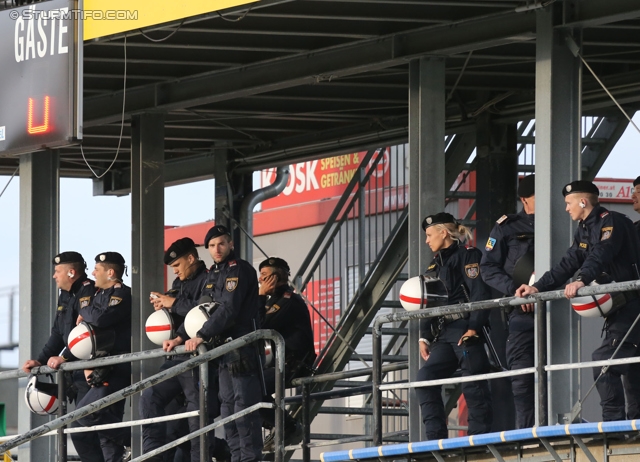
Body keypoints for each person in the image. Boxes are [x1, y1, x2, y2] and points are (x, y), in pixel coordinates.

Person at [516, 180, 640, 421]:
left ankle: (614, 426)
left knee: (605, 361)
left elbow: (602, 253)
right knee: (632, 368)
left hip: (632, 306)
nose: (566, 208)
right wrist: (536, 287)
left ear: (583, 202)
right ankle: (632, 426)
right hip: (620, 309)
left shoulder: (611, 221)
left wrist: (582, 279)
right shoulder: (584, 229)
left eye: (568, 203)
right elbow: (567, 264)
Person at [166, 225, 263, 462]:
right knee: (228, 408)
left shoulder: (237, 269)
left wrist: (201, 334)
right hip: (223, 349)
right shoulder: (213, 274)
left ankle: (249, 459)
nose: (216, 249)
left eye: (221, 243)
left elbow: (228, 309)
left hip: (241, 347)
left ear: (231, 244)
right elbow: (203, 308)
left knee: (243, 409)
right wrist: (180, 336)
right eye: (211, 245)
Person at [140, 237, 229, 462]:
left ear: (191, 258)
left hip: (199, 357)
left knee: (196, 413)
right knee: (150, 394)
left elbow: (205, 310)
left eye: (177, 266)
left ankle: (205, 457)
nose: (175, 272)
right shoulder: (179, 284)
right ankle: (153, 455)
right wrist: (165, 308)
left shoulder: (209, 279)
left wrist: (173, 303)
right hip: (179, 354)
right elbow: (183, 317)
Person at [416, 213, 493, 440]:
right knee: (424, 379)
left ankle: (479, 440)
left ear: (444, 232)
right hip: (443, 334)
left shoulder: (469, 256)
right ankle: (435, 440)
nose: (427, 240)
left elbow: (480, 293)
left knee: (473, 383)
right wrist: (424, 336)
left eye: (430, 235)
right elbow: (428, 300)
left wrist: (474, 327)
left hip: (465, 328)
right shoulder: (434, 264)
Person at [480, 174, 535, 428]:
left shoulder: (568, 222)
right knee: (522, 378)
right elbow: (488, 268)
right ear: (524, 199)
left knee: (563, 372)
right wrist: (515, 291)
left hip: (559, 310)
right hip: (521, 313)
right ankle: (526, 437)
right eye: (537, 195)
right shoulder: (507, 226)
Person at [70, 252, 132, 462]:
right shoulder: (98, 295)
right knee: (87, 428)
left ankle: (133, 440)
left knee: (86, 414)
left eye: (98, 269)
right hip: (97, 368)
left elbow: (101, 319)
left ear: (111, 272)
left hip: (116, 368)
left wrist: (85, 310)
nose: (93, 272)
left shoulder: (121, 293)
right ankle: (128, 442)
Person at [22, 251, 95, 407]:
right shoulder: (65, 295)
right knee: (78, 424)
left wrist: (65, 357)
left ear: (71, 272)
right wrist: (40, 361)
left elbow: (86, 333)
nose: (54, 276)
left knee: (86, 425)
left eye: (57, 271)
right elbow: (58, 332)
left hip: (88, 369)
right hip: (75, 370)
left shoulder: (88, 292)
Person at [257, 257, 316, 450]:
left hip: (295, 363)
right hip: (279, 363)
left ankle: (287, 426)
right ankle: (277, 424)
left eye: (265, 276)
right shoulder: (273, 300)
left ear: (275, 277)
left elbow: (261, 325)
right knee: (236, 389)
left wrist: (259, 296)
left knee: (251, 388)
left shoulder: (288, 301)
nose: (260, 280)